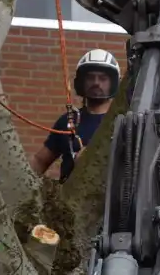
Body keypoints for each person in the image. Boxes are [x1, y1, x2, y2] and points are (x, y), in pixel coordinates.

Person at [29, 49, 120, 182]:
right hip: (67, 198)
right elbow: (40, 161)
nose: (96, 83)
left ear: (113, 82)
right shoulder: (68, 120)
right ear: (81, 82)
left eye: (103, 78)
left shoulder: (121, 121)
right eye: (90, 77)